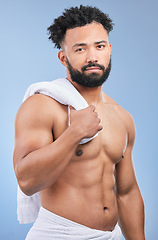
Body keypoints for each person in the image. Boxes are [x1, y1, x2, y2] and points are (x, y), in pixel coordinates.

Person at [13, 5, 145, 240]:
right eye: (80, 48)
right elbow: (27, 181)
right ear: (64, 57)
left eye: (100, 46)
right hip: (58, 234)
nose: (92, 56)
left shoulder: (122, 117)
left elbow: (127, 192)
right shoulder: (44, 106)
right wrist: (74, 134)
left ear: (109, 50)